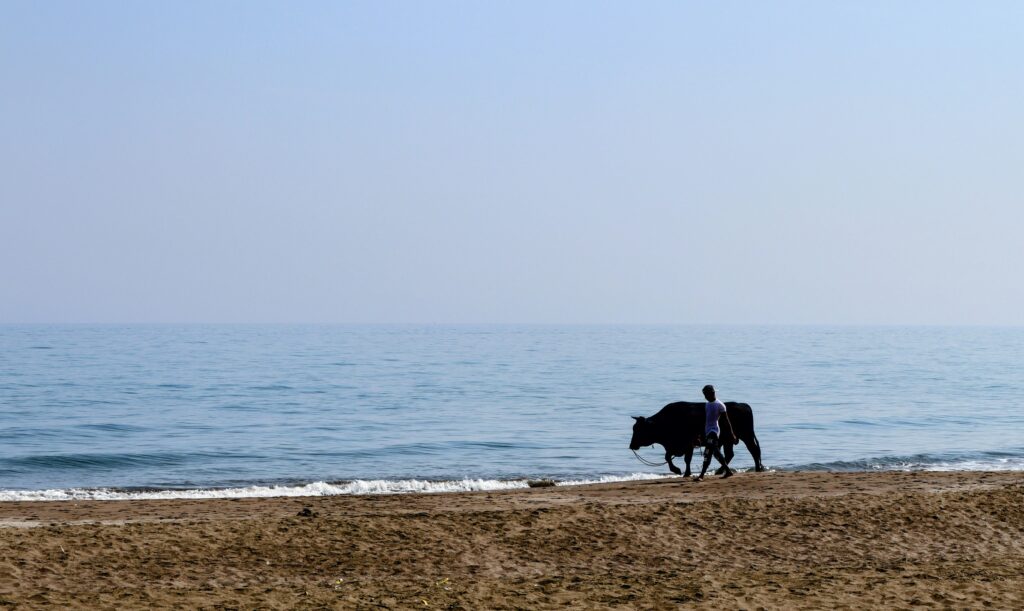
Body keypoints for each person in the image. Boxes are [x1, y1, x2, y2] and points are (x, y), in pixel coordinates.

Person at [695, 384, 737, 481]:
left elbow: (727, 421)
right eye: (704, 394)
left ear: (712, 393)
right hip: (707, 430)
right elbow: (706, 420)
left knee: (708, 452)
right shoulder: (707, 404)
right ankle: (728, 471)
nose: (705, 396)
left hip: (714, 431)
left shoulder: (720, 405)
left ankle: (701, 475)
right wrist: (700, 434)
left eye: (706, 394)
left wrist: (732, 434)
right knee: (715, 453)